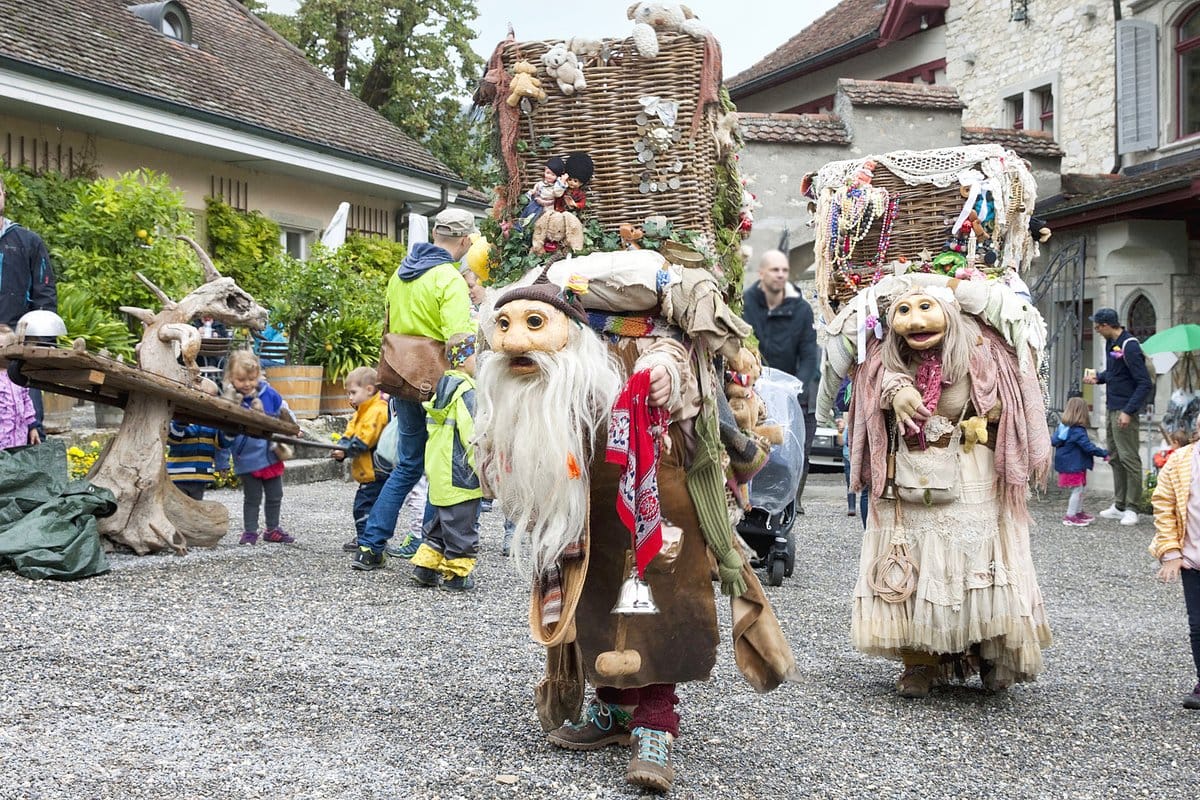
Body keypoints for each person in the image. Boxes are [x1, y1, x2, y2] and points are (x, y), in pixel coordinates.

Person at [475, 277, 797, 793]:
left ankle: (656, 722)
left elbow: (674, 364)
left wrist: (663, 375)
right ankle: (613, 710)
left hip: (661, 491)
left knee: (661, 603)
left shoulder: (659, 333)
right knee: (597, 597)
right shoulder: (572, 343)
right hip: (588, 502)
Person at [844, 282, 1052, 698]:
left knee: (977, 563)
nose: (917, 321)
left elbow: (1006, 399)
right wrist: (895, 390)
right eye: (905, 310)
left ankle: (992, 652)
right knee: (917, 563)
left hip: (973, 474)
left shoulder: (982, 351)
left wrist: (985, 414)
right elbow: (873, 381)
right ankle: (922, 661)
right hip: (913, 476)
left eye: (926, 307)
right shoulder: (890, 358)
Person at [352, 208, 476, 571]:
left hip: (401, 377)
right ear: (465, 241)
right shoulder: (448, 279)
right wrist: (476, 379)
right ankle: (428, 547)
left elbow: (389, 325)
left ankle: (370, 545)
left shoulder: (401, 273)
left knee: (408, 464)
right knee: (441, 468)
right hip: (438, 382)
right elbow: (459, 340)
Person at [741, 250, 819, 512]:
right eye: (774, 270)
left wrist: (799, 386)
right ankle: (750, 496)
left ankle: (793, 498)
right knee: (754, 445)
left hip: (795, 393)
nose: (780, 275)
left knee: (799, 449)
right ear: (762, 273)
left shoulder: (802, 309)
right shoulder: (747, 305)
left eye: (784, 270)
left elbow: (809, 353)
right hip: (756, 388)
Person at [410, 333, 482, 591]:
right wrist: (484, 469)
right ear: (462, 360)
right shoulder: (468, 393)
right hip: (461, 472)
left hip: (440, 472)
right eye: (477, 355)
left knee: (439, 524)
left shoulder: (441, 389)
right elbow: (474, 436)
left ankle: (425, 569)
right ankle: (457, 575)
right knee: (462, 527)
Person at [1083, 307, 1154, 526]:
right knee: (1114, 457)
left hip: (1125, 411)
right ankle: (1119, 504)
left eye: (1097, 325)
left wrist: (1128, 411)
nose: (1095, 328)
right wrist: (1099, 378)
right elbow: (1116, 374)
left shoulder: (1129, 345)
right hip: (1112, 407)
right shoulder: (1110, 343)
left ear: (1106, 325)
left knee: (1129, 458)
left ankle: (1133, 508)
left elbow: (1144, 383)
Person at [1149, 416, 1200, 709]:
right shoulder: (1180, 461)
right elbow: (1164, 503)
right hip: (1193, 559)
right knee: (1198, 625)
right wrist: (1171, 552)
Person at [0, 174, 57, 437]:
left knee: (28, 425)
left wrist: (42, 347)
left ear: (4, 196)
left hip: (18, 346)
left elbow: (45, 293)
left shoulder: (28, 242)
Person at [226, 350, 296, 545]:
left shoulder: (269, 393)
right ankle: (250, 531)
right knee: (252, 498)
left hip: (271, 454)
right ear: (231, 378)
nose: (247, 384)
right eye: (241, 380)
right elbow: (224, 432)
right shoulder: (230, 401)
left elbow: (285, 411)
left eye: (252, 378)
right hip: (247, 457)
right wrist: (222, 460)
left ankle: (272, 529)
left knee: (275, 495)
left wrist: (293, 427)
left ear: (258, 375)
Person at [332, 367, 390, 552]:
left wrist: (346, 451)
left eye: (353, 392)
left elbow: (366, 439)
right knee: (370, 506)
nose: (350, 397)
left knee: (363, 507)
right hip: (367, 470)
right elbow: (351, 432)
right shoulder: (362, 410)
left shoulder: (377, 410)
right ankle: (371, 538)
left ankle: (368, 541)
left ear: (370, 389)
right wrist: (341, 446)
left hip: (376, 470)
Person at [166, 378, 232, 500]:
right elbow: (173, 438)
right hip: (179, 475)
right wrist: (182, 421)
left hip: (200, 476)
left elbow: (222, 444)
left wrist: (230, 432)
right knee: (179, 509)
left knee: (195, 509)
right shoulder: (180, 417)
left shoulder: (212, 423)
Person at [1051, 396, 1109, 527]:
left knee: (1080, 488)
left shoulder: (1063, 428)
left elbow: (1053, 441)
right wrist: (1104, 453)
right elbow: (1088, 447)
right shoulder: (1077, 430)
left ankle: (1078, 512)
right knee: (1077, 490)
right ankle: (1071, 516)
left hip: (1070, 464)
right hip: (1074, 465)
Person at [0, 324, 40, 449]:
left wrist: (32, 427)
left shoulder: (17, 375)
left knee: (16, 465)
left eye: (3, 348)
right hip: (2, 440)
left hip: (19, 438)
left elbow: (26, 401)